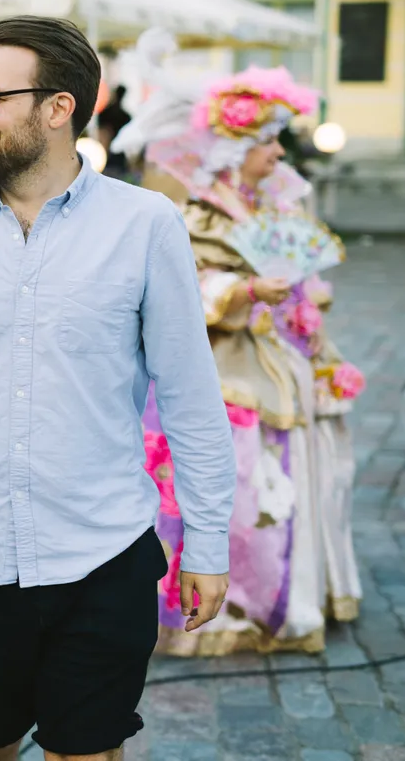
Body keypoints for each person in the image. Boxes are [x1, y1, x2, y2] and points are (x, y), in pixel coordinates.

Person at [0, 15, 236, 761]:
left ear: (58, 108)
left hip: (102, 552)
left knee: (85, 752)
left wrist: (208, 542)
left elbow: (190, 394)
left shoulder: (146, 224)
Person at [113, 36, 366, 656]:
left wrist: (309, 313)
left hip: (282, 364)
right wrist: (243, 288)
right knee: (236, 487)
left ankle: (284, 595)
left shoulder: (277, 205)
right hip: (225, 373)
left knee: (286, 483)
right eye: (266, 143)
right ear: (232, 150)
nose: (278, 153)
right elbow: (174, 295)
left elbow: (304, 280)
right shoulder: (196, 215)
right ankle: (225, 608)